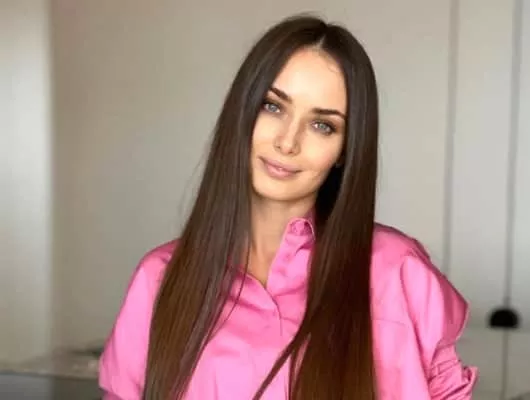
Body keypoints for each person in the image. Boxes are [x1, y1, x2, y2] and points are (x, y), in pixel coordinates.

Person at [99, 14, 478, 400]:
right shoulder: (160, 279)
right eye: (272, 106)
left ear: (344, 150)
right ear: (241, 111)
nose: (287, 142)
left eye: (322, 125)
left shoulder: (397, 272)